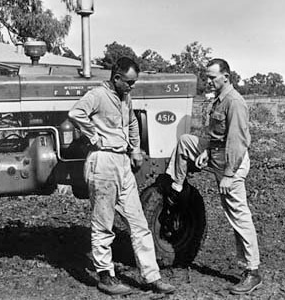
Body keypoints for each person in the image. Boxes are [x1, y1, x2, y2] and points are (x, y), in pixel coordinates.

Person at [68, 57, 175, 296]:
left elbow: (133, 123)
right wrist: (95, 137)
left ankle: (151, 276)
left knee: (139, 223)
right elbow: (76, 113)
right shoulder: (97, 95)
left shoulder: (126, 97)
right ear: (116, 78)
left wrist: (135, 149)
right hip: (102, 161)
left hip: (122, 162)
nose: (131, 86)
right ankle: (106, 276)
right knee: (103, 223)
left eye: (134, 82)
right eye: (128, 82)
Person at [164, 58, 262, 295]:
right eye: (206, 77)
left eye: (212, 77)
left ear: (226, 77)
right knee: (186, 141)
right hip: (216, 155)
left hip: (232, 163)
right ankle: (176, 186)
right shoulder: (217, 100)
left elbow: (237, 143)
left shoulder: (234, 102)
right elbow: (216, 135)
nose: (208, 81)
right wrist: (206, 152)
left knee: (238, 216)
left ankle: (253, 271)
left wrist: (229, 175)